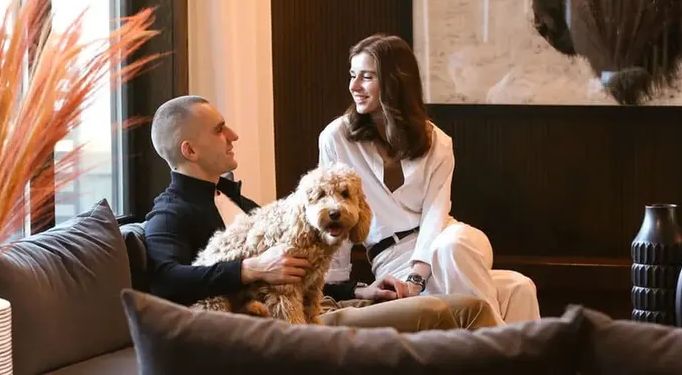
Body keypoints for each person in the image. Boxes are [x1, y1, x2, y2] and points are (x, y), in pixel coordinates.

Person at [142, 94, 501, 332]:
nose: (233, 134)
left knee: (466, 307)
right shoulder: (171, 212)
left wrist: (363, 290)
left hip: (319, 306)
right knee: (460, 312)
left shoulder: (242, 204)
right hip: (289, 324)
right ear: (189, 150)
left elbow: (305, 268)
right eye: (220, 130)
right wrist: (250, 268)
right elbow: (164, 280)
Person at [319, 34, 541, 325]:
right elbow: (336, 213)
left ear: (394, 81)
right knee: (518, 287)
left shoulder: (437, 141)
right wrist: (336, 285)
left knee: (451, 246)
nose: (354, 86)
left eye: (366, 76)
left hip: (448, 239)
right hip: (392, 257)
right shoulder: (337, 138)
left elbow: (436, 214)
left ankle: (488, 354)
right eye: (352, 75)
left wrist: (417, 278)